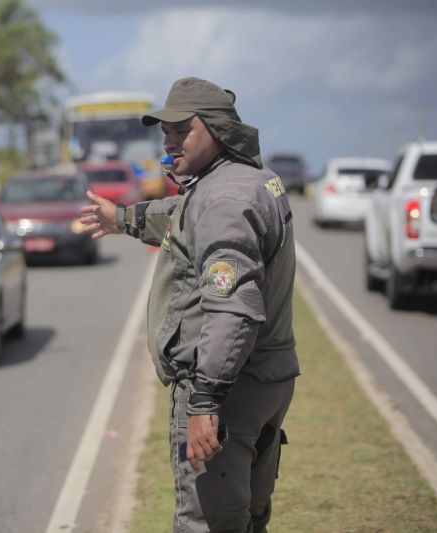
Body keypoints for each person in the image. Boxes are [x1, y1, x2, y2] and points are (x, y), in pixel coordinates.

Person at [81, 77, 299, 533]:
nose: (169, 140)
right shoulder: (253, 182)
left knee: (210, 522)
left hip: (228, 390)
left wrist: (205, 401)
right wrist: (123, 219)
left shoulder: (223, 198)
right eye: (166, 131)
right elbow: (187, 217)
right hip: (268, 376)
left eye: (183, 130)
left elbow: (232, 309)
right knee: (250, 515)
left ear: (217, 131)